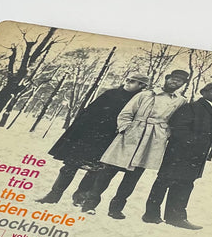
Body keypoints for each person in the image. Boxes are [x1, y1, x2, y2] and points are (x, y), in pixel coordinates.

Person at [79, 69, 189, 217]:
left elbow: (177, 121)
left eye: (179, 81)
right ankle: (90, 204)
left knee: (132, 177)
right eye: (173, 78)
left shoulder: (181, 101)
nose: (175, 82)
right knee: (107, 172)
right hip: (132, 135)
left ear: (182, 84)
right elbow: (126, 113)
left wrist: (165, 133)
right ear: (167, 79)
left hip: (152, 140)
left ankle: (116, 209)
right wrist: (125, 129)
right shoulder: (145, 94)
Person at [34, 73, 149, 204]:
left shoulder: (139, 101)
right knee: (70, 166)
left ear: (142, 85)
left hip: (108, 140)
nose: (127, 82)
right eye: (127, 79)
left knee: (94, 171)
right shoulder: (110, 94)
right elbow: (90, 112)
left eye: (132, 81)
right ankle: (53, 195)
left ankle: (79, 198)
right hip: (88, 136)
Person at [143, 82, 212, 229]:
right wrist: (192, 143)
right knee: (164, 182)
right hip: (179, 153)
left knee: (185, 184)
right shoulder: (191, 107)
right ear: (204, 92)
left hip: (197, 156)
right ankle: (151, 215)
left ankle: (176, 217)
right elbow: (177, 127)